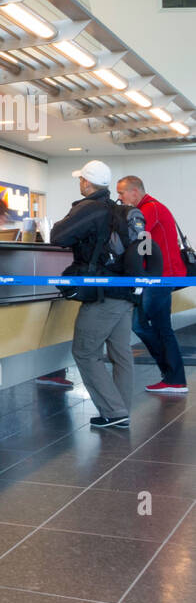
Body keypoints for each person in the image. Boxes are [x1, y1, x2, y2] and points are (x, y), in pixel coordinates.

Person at [49, 160, 136, 428]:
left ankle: (115, 411)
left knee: (85, 352)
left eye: (81, 180)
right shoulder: (118, 209)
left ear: (86, 182)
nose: (80, 184)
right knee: (121, 353)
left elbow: (58, 236)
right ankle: (120, 409)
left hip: (103, 294)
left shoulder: (90, 208)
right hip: (125, 291)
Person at [117, 175, 188, 395]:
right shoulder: (152, 206)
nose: (119, 199)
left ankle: (174, 378)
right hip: (157, 276)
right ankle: (171, 376)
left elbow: (131, 234)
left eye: (121, 193)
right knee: (147, 325)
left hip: (161, 276)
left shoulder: (150, 208)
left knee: (153, 326)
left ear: (135, 192)